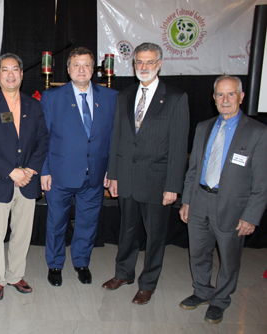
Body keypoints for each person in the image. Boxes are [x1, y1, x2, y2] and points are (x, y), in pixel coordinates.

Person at [102, 42, 189, 305]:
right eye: (139, 62)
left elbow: (178, 146)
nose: (144, 67)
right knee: (126, 231)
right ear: (134, 64)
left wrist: (173, 185)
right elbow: (116, 137)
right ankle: (123, 273)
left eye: (150, 62)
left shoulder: (175, 97)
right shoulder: (125, 95)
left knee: (155, 237)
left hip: (157, 181)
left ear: (159, 64)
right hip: (127, 177)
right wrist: (113, 174)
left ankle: (148, 282)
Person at [179, 75, 267, 324]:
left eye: (231, 94)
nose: (225, 99)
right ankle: (202, 291)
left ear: (241, 97)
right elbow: (193, 168)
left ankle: (220, 300)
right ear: (213, 98)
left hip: (233, 207)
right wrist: (186, 201)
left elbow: (262, 182)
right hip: (199, 201)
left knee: (229, 258)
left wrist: (251, 215)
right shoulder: (203, 127)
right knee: (198, 252)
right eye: (220, 94)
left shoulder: (258, 132)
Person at [40, 47, 118, 286]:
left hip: (95, 174)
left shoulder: (110, 97)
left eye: (86, 65)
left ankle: (82, 262)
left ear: (94, 70)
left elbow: (114, 138)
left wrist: (111, 170)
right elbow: (43, 137)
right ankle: (54, 264)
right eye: (76, 65)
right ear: (68, 69)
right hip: (60, 174)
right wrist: (44, 170)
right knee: (56, 222)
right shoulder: (51, 97)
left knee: (88, 222)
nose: (81, 70)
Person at [0, 53, 49, 300]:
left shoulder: (34, 105)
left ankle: (15, 275)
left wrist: (29, 170)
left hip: (27, 182)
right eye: (4, 70)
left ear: (21, 74)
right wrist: (11, 171)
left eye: (14, 69)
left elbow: (42, 140)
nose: (10, 74)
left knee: (22, 234)